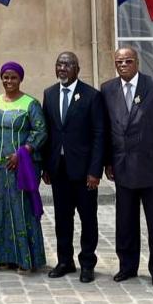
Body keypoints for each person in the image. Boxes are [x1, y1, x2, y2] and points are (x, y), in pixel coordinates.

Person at [101, 47, 153, 289]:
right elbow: (106, 130)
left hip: (152, 167)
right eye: (119, 61)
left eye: (128, 60)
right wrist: (108, 162)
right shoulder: (108, 89)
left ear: (137, 62)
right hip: (122, 167)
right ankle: (127, 266)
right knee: (125, 221)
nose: (123, 64)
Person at [41, 52, 104, 283]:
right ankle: (65, 261)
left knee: (88, 219)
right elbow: (48, 133)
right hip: (59, 170)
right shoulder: (49, 94)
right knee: (62, 219)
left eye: (67, 64)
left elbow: (99, 135)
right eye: (59, 64)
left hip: (84, 171)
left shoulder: (91, 96)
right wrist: (46, 167)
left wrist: (95, 171)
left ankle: (87, 263)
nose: (62, 68)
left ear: (77, 68)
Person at [0, 61, 47, 272]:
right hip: (0, 165)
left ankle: (26, 258)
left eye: (13, 77)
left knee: (22, 208)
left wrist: (24, 151)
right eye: (5, 77)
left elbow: (40, 131)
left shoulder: (31, 103)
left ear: (20, 79)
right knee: (3, 208)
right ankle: (4, 256)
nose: (9, 81)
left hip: (23, 165)